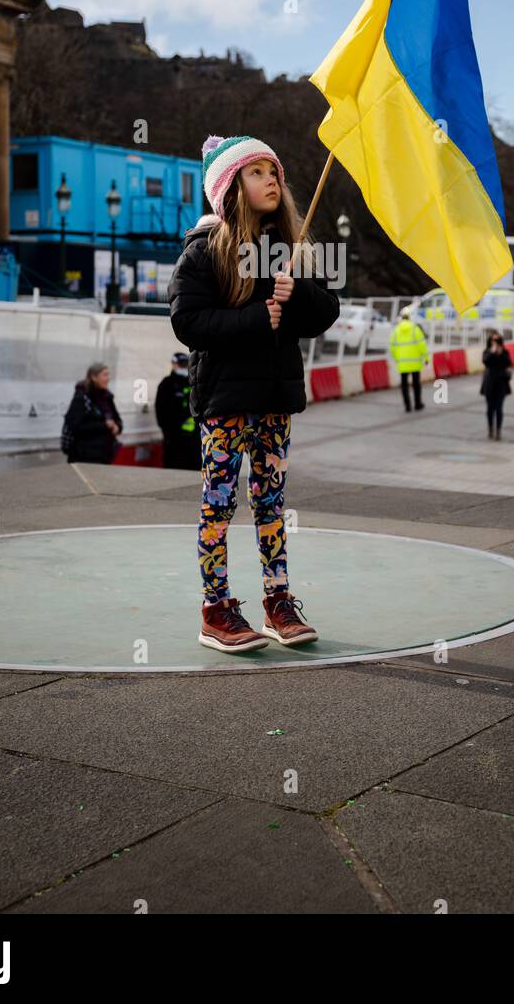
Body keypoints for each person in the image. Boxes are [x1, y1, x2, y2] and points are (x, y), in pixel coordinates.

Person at [168, 134, 340, 655]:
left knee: (271, 503)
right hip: (224, 400)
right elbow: (187, 320)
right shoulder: (204, 251)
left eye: (274, 171)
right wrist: (252, 318)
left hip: (276, 400)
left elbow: (326, 312)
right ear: (230, 187)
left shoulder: (291, 250)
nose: (271, 180)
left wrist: (300, 293)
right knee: (219, 503)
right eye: (257, 172)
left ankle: (277, 602)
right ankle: (215, 609)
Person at [61, 363, 123, 464]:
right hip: (84, 457)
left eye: (108, 375)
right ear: (94, 377)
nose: (108, 378)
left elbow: (117, 419)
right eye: (105, 375)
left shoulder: (107, 397)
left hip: (104, 455)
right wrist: (104, 426)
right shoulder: (82, 398)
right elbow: (75, 426)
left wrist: (118, 427)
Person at [154, 352, 202, 469]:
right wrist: (169, 432)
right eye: (181, 364)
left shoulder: (195, 383)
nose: (183, 367)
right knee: (174, 468)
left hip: (194, 439)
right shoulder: (167, 384)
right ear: (174, 364)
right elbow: (161, 410)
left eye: (186, 364)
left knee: (194, 468)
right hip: (174, 439)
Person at [389, 305, 429, 412]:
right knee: (416, 384)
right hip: (415, 363)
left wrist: (397, 358)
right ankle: (417, 403)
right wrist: (426, 358)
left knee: (404, 385)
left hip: (402, 363)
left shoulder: (396, 330)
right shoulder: (415, 329)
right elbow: (422, 345)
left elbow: (392, 347)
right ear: (409, 317)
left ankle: (407, 406)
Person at [481, 331, 512, 440]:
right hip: (489, 383)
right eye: (494, 340)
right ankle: (490, 429)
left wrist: (500, 353)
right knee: (490, 408)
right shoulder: (487, 351)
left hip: (501, 384)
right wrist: (493, 352)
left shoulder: (505, 352)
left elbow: (508, 362)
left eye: (498, 341)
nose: (496, 343)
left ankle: (498, 430)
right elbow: (485, 361)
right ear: (490, 341)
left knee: (499, 408)